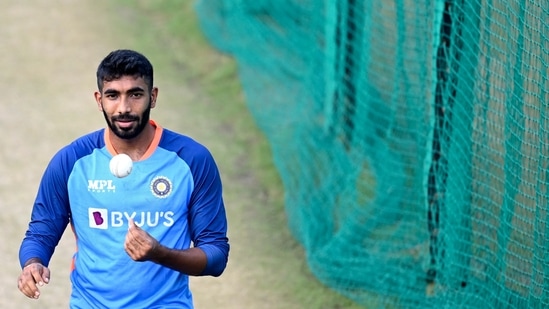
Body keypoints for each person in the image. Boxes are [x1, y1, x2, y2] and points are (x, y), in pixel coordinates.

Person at [17, 49, 230, 308]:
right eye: (113, 95)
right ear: (99, 100)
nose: (124, 108)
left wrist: (159, 253)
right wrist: (33, 263)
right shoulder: (72, 161)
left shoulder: (192, 160)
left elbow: (216, 255)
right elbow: (41, 231)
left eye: (135, 94)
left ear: (153, 97)